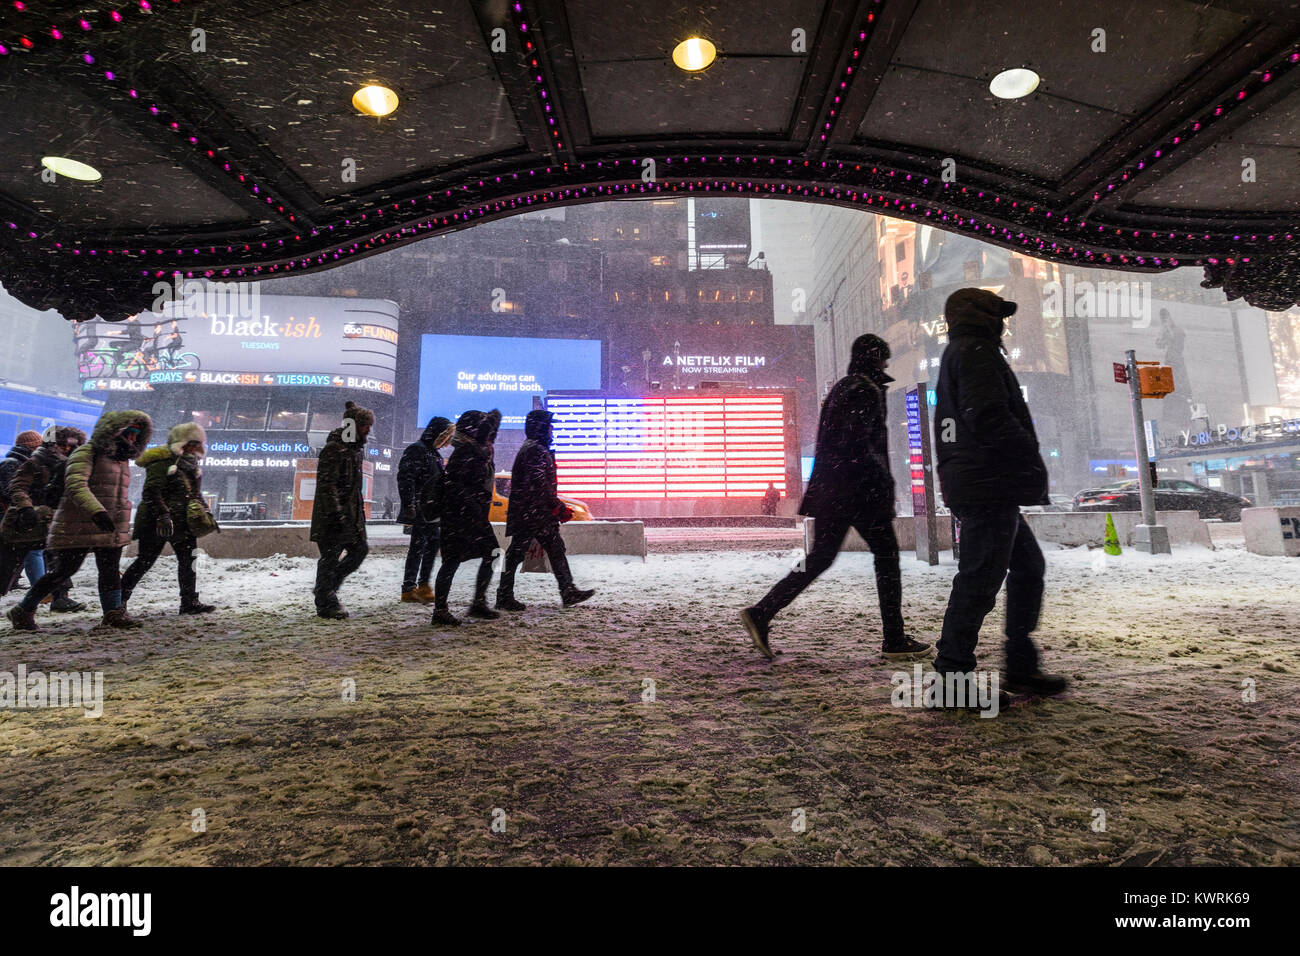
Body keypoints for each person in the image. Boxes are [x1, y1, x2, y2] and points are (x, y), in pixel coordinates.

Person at [740, 335, 931, 662]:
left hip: (835, 490)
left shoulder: (844, 387)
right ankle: (894, 638)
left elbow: (841, 444)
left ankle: (762, 612)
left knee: (821, 557)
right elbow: (858, 445)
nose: (887, 365)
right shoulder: (865, 390)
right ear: (875, 359)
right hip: (858, 491)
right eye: (884, 359)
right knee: (886, 556)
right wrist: (883, 486)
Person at [932, 288, 1066, 704]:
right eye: (998, 314)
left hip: (982, 481)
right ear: (980, 316)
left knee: (1025, 568)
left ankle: (1021, 667)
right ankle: (951, 682)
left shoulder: (965, 351)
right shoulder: (975, 351)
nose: (1004, 322)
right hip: (987, 482)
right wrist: (1025, 450)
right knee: (980, 579)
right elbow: (987, 415)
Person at [7, 410, 153, 631]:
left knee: (110, 569)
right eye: (130, 432)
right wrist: (97, 511)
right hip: (78, 522)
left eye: (137, 434)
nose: (133, 437)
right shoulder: (88, 452)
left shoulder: (121, 459)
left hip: (109, 524)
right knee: (64, 571)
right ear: (113, 430)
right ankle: (23, 610)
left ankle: (113, 613)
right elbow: (76, 484)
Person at [495, 409, 595, 612]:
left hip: (531, 513)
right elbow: (540, 485)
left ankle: (507, 594)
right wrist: (557, 507)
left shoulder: (533, 448)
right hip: (535, 515)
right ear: (540, 428)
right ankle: (566, 591)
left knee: (526, 553)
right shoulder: (536, 450)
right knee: (533, 552)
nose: (552, 429)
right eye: (549, 426)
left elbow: (537, 485)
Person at [120, 422, 215, 615]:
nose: (196, 447)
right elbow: (152, 491)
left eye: (198, 443)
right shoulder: (163, 462)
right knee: (145, 561)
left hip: (181, 521)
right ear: (182, 443)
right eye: (192, 442)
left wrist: (202, 507)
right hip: (157, 521)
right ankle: (118, 600)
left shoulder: (190, 464)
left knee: (189, 560)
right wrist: (163, 514)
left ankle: (189, 602)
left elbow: (191, 493)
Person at [0, 425, 88, 612]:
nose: (67, 449)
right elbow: (17, 487)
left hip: (52, 522)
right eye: (63, 445)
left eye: (72, 446)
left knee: (59, 563)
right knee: (8, 566)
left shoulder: (69, 466)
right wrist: (26, 508)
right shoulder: (35, 462)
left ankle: (59, 597)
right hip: (26, 522)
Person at [432, 409, 502, 626]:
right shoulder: (466, 452)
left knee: (490, 553)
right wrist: (472, 506)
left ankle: (477, 602)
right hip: (461, 516)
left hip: (470, 514)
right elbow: (455, 485)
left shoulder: (477, 450)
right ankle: (442, 609)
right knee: (452, 561)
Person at [311, 401, 374, 619]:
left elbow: (353, 489)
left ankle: (326, 589)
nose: (369, 430)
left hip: (350, 516)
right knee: (330, 557)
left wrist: (356, 514)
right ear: (354, 425)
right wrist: (336, 513)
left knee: (359, 550)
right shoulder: (334, 449)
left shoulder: (355, 451)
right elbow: (328, 485)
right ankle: (326, 601)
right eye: (365, 425)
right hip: (333, 516)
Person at [396, 415, 453, 604]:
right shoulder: (417, 450)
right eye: (446, 437)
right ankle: (410, 587)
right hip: (421, 509)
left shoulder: (432, 453)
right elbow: (406, 478)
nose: (447, 442)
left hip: (431, 510)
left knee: (430, 546)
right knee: (418, 547)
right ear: (438, 434)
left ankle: (422, 585)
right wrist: (410, 504)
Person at [0, 430, 47, 594]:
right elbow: (10, 492)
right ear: (31, 447)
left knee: (21, 553)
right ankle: (40, 590)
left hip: (17, 514)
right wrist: (26, 504)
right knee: (27, 552)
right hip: (10, 515)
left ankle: (15, 583)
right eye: (38, 447)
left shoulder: (23, 463)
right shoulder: (12, 463)